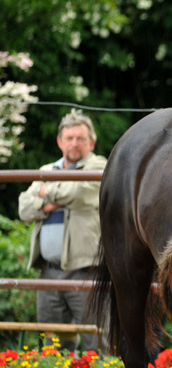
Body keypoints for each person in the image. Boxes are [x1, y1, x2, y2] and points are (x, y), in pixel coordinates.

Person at [18, 109, 107, 352]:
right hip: (49, 272)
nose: (74, 143)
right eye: (69, 138)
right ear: (60, 141)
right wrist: (51, 200)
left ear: (92, 142)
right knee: (53, 344)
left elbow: (80, 193)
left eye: (80, 138)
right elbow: (24, 208)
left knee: (96, 341)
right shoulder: (47, 168)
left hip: (85, 270)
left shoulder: (98, 165)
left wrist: (45, 193)